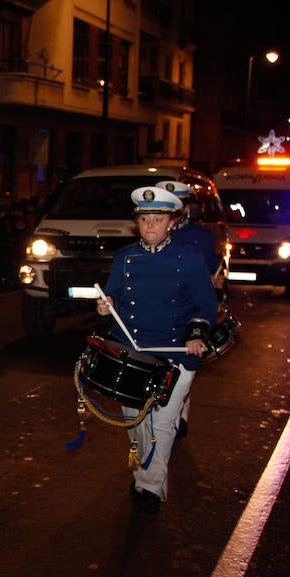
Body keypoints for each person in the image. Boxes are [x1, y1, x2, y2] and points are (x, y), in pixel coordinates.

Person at [95, 185, 218, 514]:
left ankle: (149, 486)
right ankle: (145, 476)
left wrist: (196, 333)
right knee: (135, 421)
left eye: (158, 219)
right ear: (137, 223)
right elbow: (113, 297)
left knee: (163, 423)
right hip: (134, 351)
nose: (150, 225)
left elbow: (206, 304)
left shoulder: (189, 258)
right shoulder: (124, 258)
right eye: (145, 219)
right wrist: (106, 306)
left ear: (171, 222)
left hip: (176, 351)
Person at [155, 179, 227, 438]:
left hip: (189, 310)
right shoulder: (154, 232)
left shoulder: (200, 236)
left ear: (187, 207)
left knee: (184, 364)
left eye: (182, 203)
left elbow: (210, 274)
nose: (177, 208)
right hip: (162, 310)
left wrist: (214, 282)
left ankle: (180, 412)